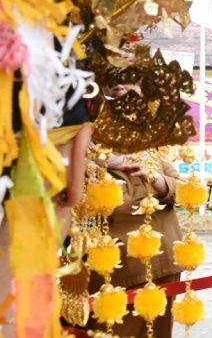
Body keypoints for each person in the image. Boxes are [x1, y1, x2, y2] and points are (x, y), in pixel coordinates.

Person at [83, 82, 183, 338]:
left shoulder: (150, 149)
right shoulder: (84, 155)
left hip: (163, 265)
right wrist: (104, 162)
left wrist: (158, 181)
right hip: (116, 271)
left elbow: (186, 192)